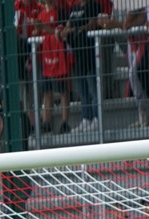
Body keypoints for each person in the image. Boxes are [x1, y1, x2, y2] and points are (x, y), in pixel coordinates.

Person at [63, 0, 105, 133]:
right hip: (77, 55)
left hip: (90, 54)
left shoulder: (94, 6)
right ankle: (86, 118)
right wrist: (68, 30)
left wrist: (74, 29)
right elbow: (67, 28)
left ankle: (97, 119)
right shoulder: (74, 9)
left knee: (93, 89)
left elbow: (91, 25)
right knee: (82, 91)